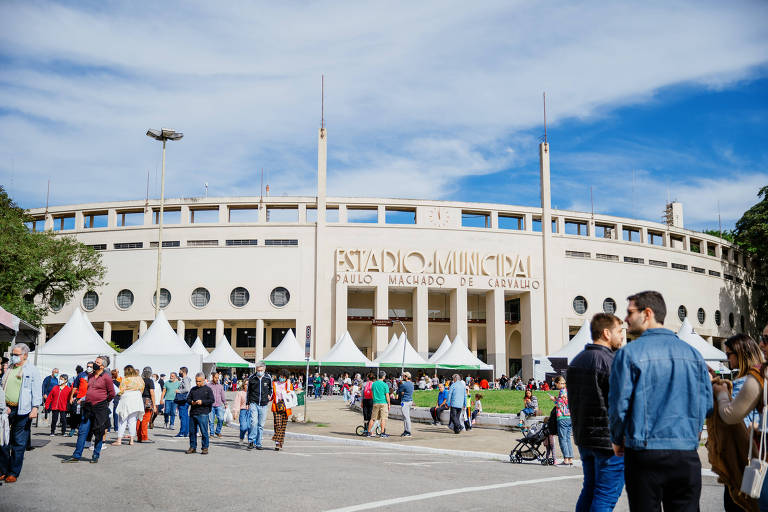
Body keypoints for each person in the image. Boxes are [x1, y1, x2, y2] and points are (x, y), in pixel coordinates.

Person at [609, 290, 712, 511]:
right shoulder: (694, 355)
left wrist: (617, 438)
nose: (626, 319)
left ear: (647, 313)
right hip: (685, 451)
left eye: (630, 313)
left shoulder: (628, 354)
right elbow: (708, 404)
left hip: (645, 451)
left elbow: (619, 406)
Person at [568, 312, 625, 511]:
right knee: (605, 495)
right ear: (606, 333)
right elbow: (620, 404)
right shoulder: (612, 362)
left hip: (585, 437)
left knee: (590, 489)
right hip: (609, 442)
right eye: (619, 331)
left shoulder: (577, 361)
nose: (622, 336)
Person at [710, 334, 763, 512]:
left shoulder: (744, 382)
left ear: (741, 354)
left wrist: (720, 392)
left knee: (738, 504)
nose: (727, 359)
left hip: (743, 461)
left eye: (729, 354)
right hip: (761, 458)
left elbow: (731, 418)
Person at [63, 354, 114, 464]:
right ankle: (76, 455)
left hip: (100, 408)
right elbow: (89, 390)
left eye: (97, 362)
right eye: (95, 361)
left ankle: (95, 455)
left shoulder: (107, 378)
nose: (94, 364)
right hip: (88, 407)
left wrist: (103, 402)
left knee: (99, 432)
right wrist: (83, 398)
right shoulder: (90, 376)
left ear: (103, 366)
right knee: (82, 431)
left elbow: (112, 394)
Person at [0, 344, 40, 483]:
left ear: (25, 355)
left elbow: (36, 390)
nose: (13, 356)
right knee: (3, 440)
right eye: (12, 354)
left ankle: (13, 472)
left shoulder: (31, 370)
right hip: (6, 409)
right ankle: (3, 469)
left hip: (23, 411)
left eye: (16, 354)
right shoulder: (9, 368)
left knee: (19, 442)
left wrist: (35, 408)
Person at [112, 365, 144, 446]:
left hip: (127, 397)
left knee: (122, 419)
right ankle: (132, 440)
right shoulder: (139, 378)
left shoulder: (125, 379)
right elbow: (142, 388)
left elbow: (121, 391)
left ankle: (119, 440)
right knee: (132, 421)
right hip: (137, 398)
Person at [186, 372, 214, 455]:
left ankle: (205, 448)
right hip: (193, 413)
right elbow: (188, 399)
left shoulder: (208, 389)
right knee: (192, 432)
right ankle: (192, 447)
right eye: (196, 381)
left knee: (204, 432)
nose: (197, 383)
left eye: (199, 381)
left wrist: (202, 402)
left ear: (203, 380)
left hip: (203, 413)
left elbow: (212, 400)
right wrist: (192, 402)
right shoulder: (193, 389)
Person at [547, 376, 573, 465]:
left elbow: (559, 404)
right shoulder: (568, 390)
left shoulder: (562, 391)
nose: (556, 386)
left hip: (562, 417)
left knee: (562, 439)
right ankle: (570, 458)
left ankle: (565, 459)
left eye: (556, 384)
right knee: (568, 438)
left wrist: (553, 399)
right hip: (569, 417)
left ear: (558, 383)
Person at [246, 362, 272, 450]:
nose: (259, 372)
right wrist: (247, 403)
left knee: (261, 424)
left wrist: (269, 394)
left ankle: (259, 443)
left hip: (264, 404)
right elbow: (248, 392)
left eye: (261, 370)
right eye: (258, 370)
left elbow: (271, 389)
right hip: (254, 403)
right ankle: (251, 441)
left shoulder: (268, 378)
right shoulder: (252, 378)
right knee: (254, 422)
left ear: (264, 370)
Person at [271, 369, 294, 451]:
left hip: (286, 406)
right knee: (277, 424)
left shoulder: (288, 384)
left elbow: (291, 395)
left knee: (283, 425)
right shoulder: (274, 384)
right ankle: (277, 442)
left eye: (284, 377)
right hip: (276, 406)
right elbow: (271, 394)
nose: (282, 378)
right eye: (280, 376)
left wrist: (288, 386)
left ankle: (280, 442)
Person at [137, 367, 156, 443]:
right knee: (145, 419)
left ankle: (139, 437)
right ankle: (144, 437)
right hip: (147, 400)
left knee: (139, 419)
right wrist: (154, 405)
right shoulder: (150, 381)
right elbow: (152, 393)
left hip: (139, 400)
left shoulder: (140, 380)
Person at [368, 371, 390, 438]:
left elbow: (372, 393)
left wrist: (374, 399)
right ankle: (382, 433)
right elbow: (387, 395)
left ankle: (369, 432)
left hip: (375, 402)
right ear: (383, 376)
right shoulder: (385, 385)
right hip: (383, 403)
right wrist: (389, 404)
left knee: (373, 418)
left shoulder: (374, 384)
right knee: (383, 418)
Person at [207, 372, 227, 438]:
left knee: (221, 419)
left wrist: (225, 403)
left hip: (219, 405)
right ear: (212, 377)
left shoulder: (220, 386)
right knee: (211, 420)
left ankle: (218, 431)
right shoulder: (208, 385)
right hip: (211, 405)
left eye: (218, 378)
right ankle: (212, 434)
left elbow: (223, 396)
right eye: (215, 377)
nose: (217, 379)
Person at [175, 367, 192, 438]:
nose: (179, 372)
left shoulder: (185, 379)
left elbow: (187, 389)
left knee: (183, 416)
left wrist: (179, 391)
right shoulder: (186, 379)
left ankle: (182, 432)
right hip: (185, 400)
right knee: (185, 416)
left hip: (183, 400)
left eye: (180, 371)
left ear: (183, 372)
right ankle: (186, 432)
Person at [232, 381, 250, 445]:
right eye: (246, 384)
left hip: (251, 411)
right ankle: (241, 438)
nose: (247, 386)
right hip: (243, 411)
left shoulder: (253, 393)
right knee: (243, 427)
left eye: (248, 384)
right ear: (243, 385)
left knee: (250, 426)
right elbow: (237, 403)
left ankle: (250, 440)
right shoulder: (240, 393)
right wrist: (235, 413)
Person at [398, 372, 414, 437]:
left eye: (404, 376)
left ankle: (408, 431)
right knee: (406, 417)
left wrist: (400, 384)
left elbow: (400, 392)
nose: (403, 377)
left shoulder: (404, 384)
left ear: (406, 377)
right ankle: (406, 430)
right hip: (409, 400)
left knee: (406, 417)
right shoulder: (411, 384)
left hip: (405, 401)